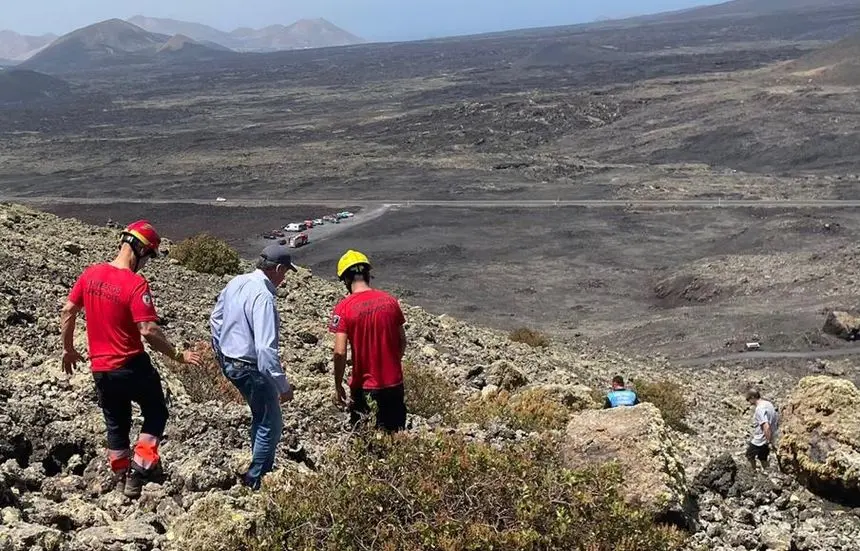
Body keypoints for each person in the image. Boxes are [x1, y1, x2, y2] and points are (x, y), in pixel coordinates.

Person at [60, 220, 202, 499]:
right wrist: (177, 355)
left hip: (101, 368)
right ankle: (140, 470)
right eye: (148, 256)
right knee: (156, 412)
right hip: (131, 364)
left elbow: (68, 311)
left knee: (116, 422)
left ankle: (121, 475)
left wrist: (68, 349)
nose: (146, 263)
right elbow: (148, 329)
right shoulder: (135, 283)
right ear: (140, 250)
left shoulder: (91, 273)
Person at [210, 244, 297, 490]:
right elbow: (265, 350)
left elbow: (215, 319)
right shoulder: (263, 297)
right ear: (278, 269)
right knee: (271, 421)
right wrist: (283, 386)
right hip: (250, 367)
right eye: (285, 272)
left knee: (260, 415)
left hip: (230, 361)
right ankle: (257, 478)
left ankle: (256, 467)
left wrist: (221, 351)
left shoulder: (237, 282)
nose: (285, 278)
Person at [329, 250, 408, 432]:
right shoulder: (390, 301)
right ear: (367, 275)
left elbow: (339, 352)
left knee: (366, 439)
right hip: (395, 384)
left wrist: (338, 384)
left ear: (346, 280)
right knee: (395, 437)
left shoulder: (344, 308)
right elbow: (402, 341)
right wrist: (391, 363)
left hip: (364, 387)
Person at [745, 388, 779, 472]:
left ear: (753, 397)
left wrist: (768, 440)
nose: (749, 402)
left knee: (749, 455)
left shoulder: (759, 409)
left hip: (761, 439)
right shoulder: (768, 404)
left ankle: (751, 475)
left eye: (749, 399)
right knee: (763, 458)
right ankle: (768, 475)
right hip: (770, 436)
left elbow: (766, 425)